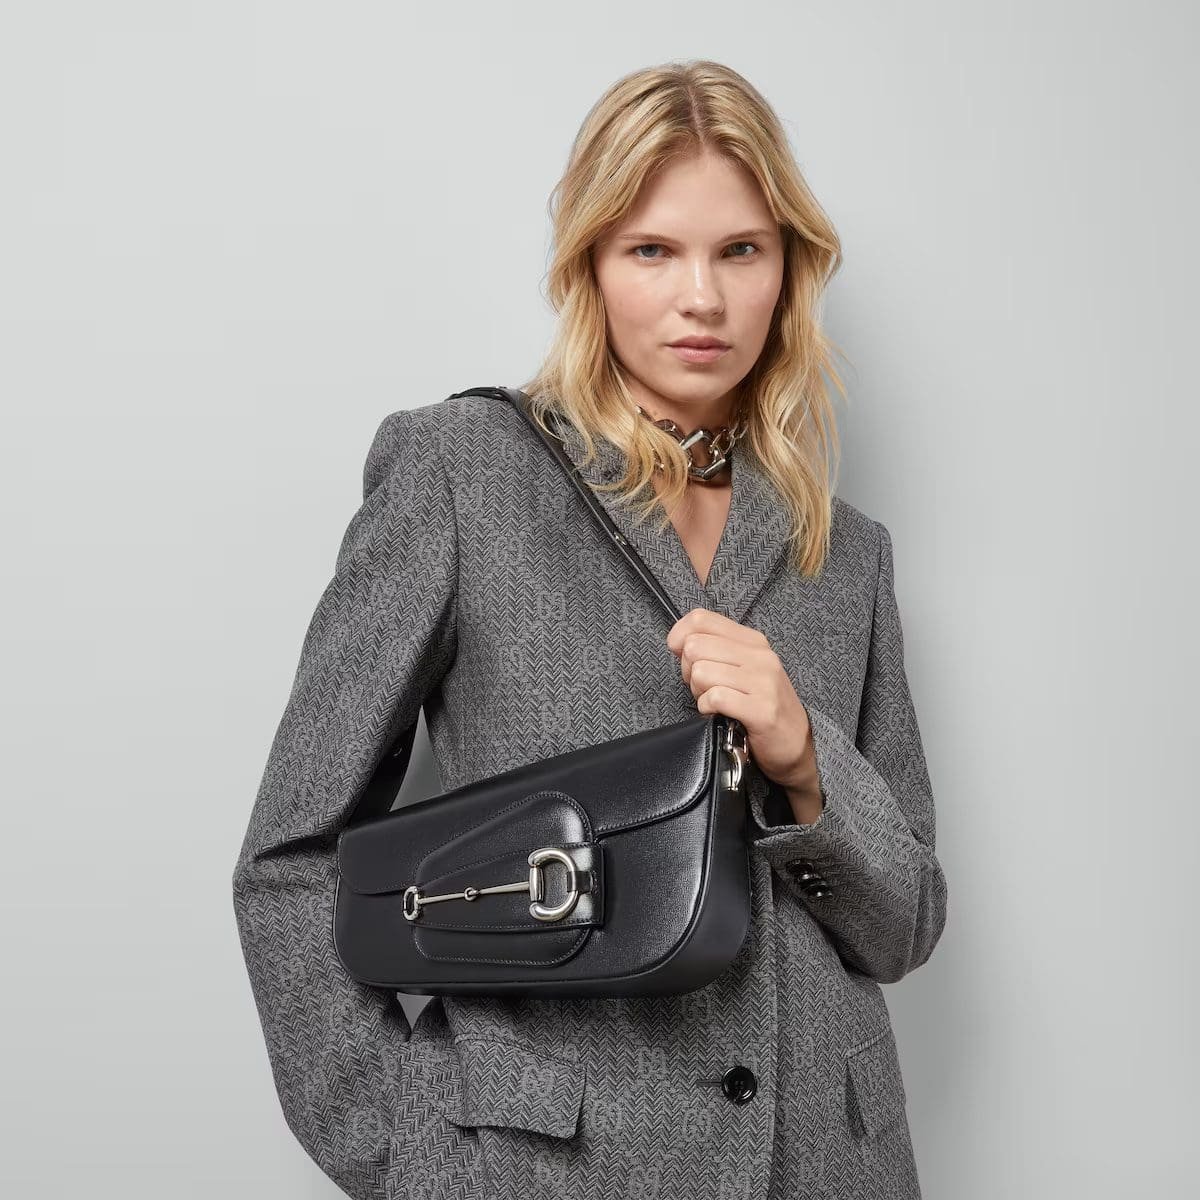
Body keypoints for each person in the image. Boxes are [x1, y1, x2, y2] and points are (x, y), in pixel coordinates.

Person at [232, 58, 948, 1200]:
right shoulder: (463, 474)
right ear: (590, 266)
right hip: (553, 1167)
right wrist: (414, 1156)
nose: (702, 298)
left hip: (825, 1165)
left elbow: (905, 926)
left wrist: (808, 758)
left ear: (789, 270)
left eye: (741, 250)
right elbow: (288, 860)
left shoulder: (845, 551)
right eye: (652, 250)